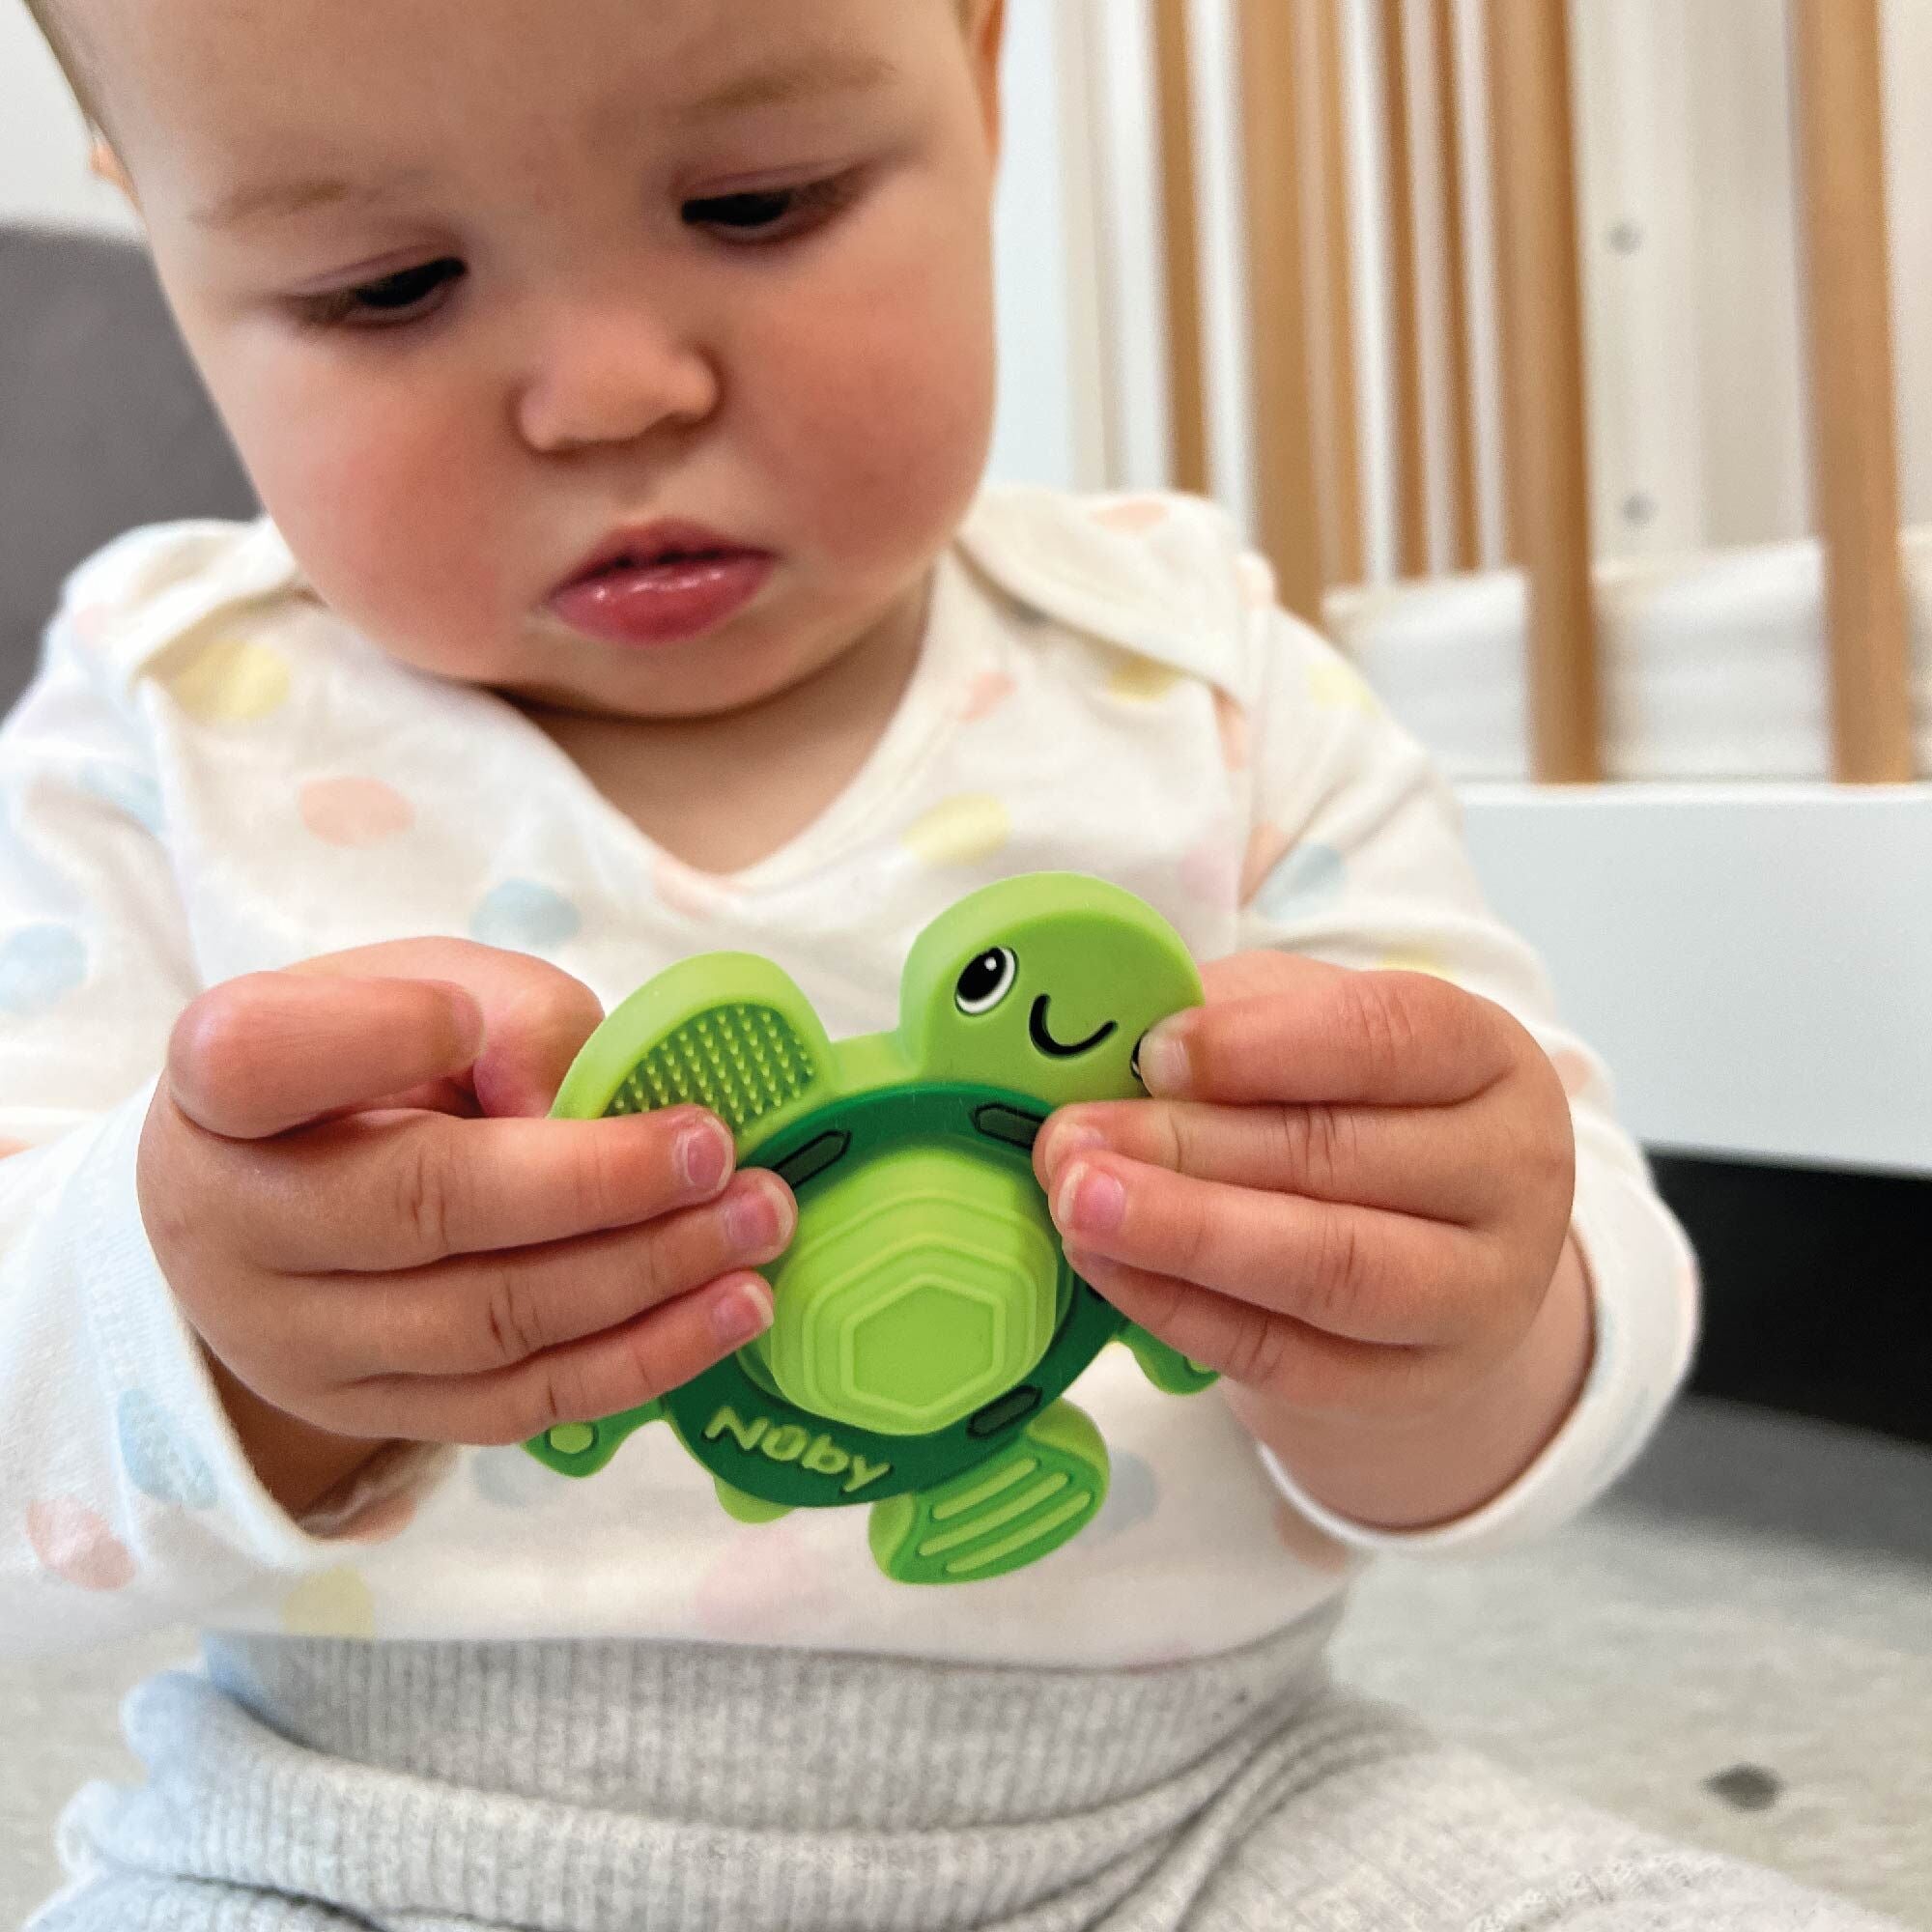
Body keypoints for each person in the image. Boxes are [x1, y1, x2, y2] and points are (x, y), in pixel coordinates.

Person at [0, 1, 1898, 1925]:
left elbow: (1565, 1297)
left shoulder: (1194, 678)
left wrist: (1450, 1314)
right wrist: (205, 1313)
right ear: (159, 226)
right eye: (388, 285)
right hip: (352, 1844)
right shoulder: (167, 721)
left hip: (1188, 1830)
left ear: (983, 75)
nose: (611, 391)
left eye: (756, 202)